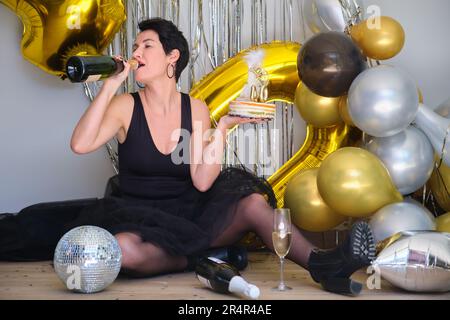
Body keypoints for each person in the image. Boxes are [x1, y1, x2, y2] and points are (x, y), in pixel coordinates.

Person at [0, 18, 375, 295]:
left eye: (146, 45)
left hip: (189, 211)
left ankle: (324, 265)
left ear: (171, 57)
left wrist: (223, 128)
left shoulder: (194, 109)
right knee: (124, 251)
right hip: (138, 213)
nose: (135, 53)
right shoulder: (123, 106)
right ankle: (203, 256)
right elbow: (80, 145)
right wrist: (111, 82)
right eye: (135, 47)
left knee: (251, 203)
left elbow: (202, 181)